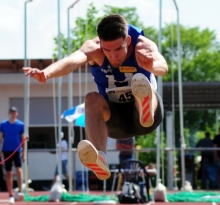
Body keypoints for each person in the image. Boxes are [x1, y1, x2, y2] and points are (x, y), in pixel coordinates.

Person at [22, 14, 168, 181]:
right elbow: (71, 61)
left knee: (142, 84)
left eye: (118, 49)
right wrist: (47, 73)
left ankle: (144, 108)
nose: (113, 56)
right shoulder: (94, 49)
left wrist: (153, 66)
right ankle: (100, 158)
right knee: (91, 99)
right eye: (107, 50)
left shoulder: (142, 46)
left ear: (128, 40)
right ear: (101, 44)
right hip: (115, 123)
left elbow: (162, 65)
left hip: (146, 120)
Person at [0, 107, 25, 204]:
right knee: (9, 173)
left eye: (14, 112)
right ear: (9, 113)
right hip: (6, 150)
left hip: (17, 150)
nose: (13, 114)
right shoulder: (3, 124)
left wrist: (24, 153)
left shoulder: (20, 125)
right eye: (11, 113)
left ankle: (20, 191)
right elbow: (0, 138)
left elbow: (23, 139)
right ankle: (10, 194)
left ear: (17, 113)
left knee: (19, 170)